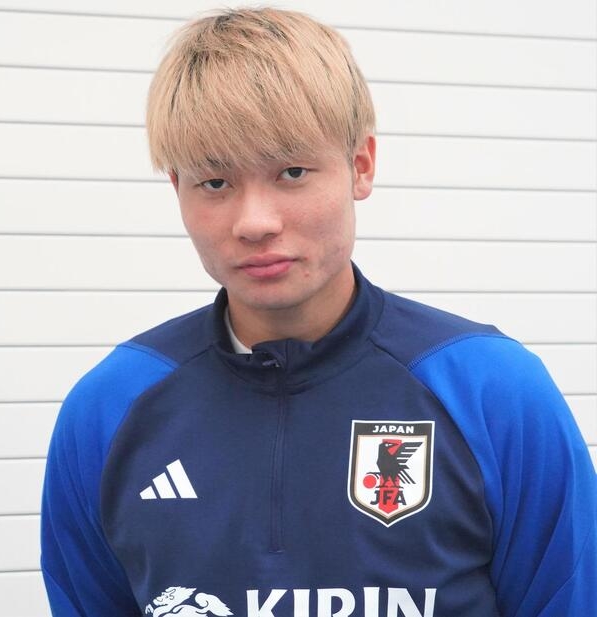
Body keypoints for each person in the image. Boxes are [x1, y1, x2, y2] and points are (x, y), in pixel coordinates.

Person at [41, 7, 597, 617]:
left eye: (292, 172)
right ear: (177, 189)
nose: (255, 222)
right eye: (215, 183)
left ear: (361, 165)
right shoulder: (109, 409)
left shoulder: (491, 392)